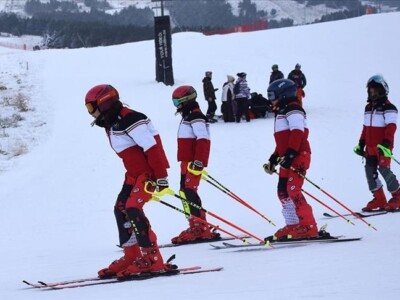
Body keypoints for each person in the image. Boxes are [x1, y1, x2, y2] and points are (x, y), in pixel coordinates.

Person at [85, 84, 173, 279]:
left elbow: (152, 147)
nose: (91, 113)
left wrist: (161, 177)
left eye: (91, 108)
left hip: (147, 174)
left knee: (133, 209)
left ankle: (152, 259)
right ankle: (131, 256)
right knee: (121, 209)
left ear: (104, 103)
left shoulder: (130, 118)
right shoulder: (112, 121)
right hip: (133, 175)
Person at [263, 79, 318, 241]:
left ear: (283, 94)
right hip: (288, 157)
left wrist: (291, 154)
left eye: (272, 95)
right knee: (283, 191)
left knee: (293, 190)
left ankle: (309, 226)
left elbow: (297, 132)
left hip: (299, 155)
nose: (270, 99)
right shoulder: (281, 111)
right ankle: (294, 224)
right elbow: (282, 142)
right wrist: (274, 158)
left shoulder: (294, 109)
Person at [170, 85, 220, 244]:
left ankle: (200, 227)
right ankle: (194, 224)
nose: (176, 105)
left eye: (176, 101)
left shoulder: (196, 116)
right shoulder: (188, 116)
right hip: (186, 162)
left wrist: (199, 161)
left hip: (193, 163)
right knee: (184, 192)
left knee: (190, 192)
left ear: (185, 100)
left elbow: (203, 139)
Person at [354, 75, 400, 212]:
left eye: (376, 91)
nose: (373, 94)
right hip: (370, 146)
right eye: (371, 91)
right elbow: (365, 127)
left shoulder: (389, 107)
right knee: (369, 171)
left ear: (383, 90)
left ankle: (397, 196)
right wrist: (361, 144)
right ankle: (379, 199)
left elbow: (391, 126)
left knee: (384, 169)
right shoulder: (368, 107)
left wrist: (386, 143)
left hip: (383, 146)